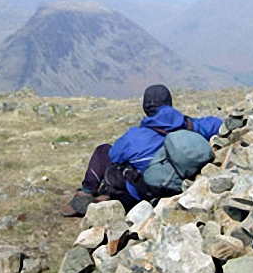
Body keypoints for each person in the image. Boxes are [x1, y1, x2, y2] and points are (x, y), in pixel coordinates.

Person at [61, 85, 223, 217]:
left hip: (138, 194)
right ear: (169, 103)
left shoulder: (134, 136)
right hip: (177, 187)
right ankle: (105, 198)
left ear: (145, 107)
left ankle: (86, 193)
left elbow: (114, 155)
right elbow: (217, 124)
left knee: (103, 151)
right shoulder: (190, 126)